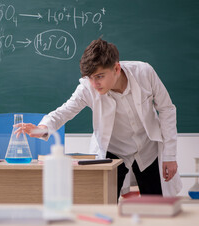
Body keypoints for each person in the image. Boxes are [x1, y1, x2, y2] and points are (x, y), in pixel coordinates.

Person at [16, 38, 182, 199]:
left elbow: (167, 109)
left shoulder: (144, 73)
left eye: (100, 76)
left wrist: (170, 156)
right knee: (104, 203)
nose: (94, 84)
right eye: (90, 78)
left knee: (158, 209)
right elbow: (64, 111)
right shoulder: (87, 88)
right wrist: (44, 127)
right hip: (114, 153)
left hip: (148, 150)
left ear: (116, 69)